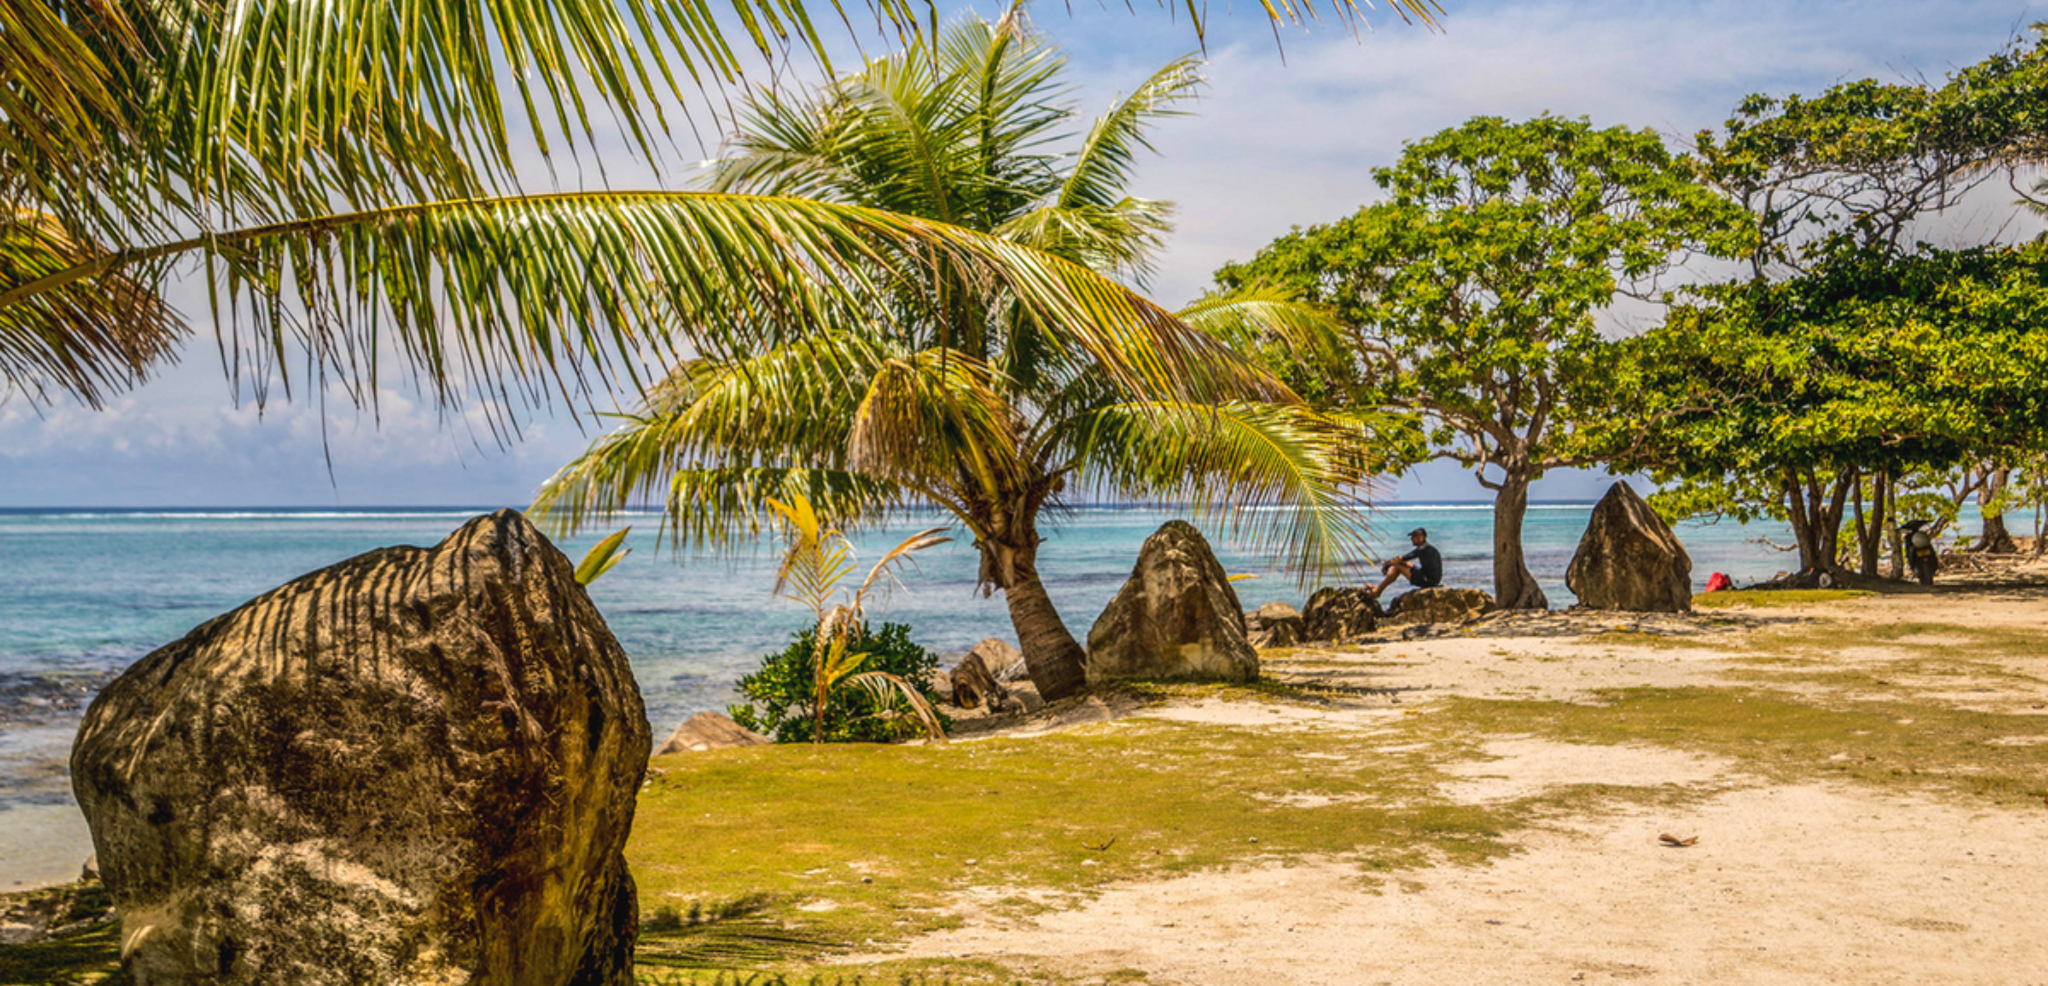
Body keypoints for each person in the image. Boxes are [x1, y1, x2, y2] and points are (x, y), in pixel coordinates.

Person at [1369, 528, 1442, 598]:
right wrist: (1390, 564)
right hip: (1431, 579)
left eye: (1414, 537)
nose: (1411, 539)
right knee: (1404, 563)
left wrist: (1387, 564)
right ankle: (1379, 587)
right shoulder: (1427, 548)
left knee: (1398, 567)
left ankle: (1378, 590)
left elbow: (1402, 558)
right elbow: (1403, 560)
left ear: (1422, 537)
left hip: (1427, 581)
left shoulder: (1423, 549)